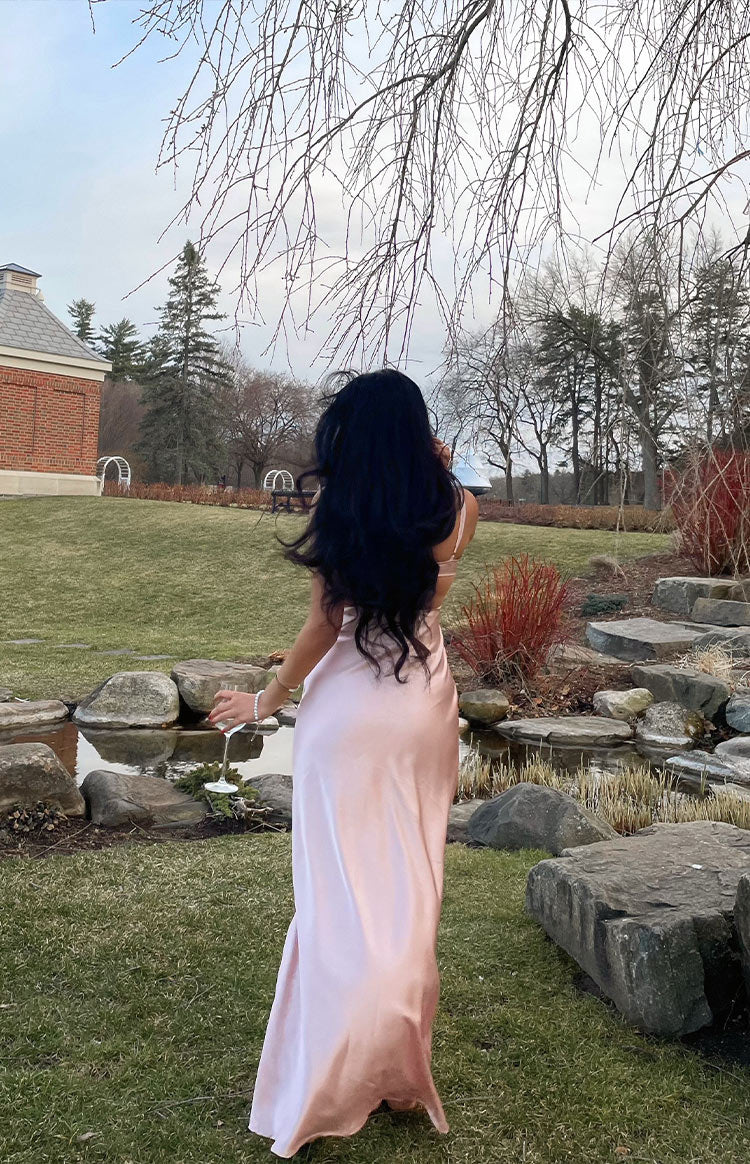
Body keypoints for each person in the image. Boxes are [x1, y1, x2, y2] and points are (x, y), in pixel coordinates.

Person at [209, 369, 479, 1157]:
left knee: (338, 898)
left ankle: (332, 1071)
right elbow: (431, 567)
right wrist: (438, 464)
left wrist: (266, 700)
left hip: (350, 712)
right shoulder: (459, 506)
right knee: (410, 890)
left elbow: (323, 627)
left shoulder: (344, 509)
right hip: (423, 706)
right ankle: (395, 1066)